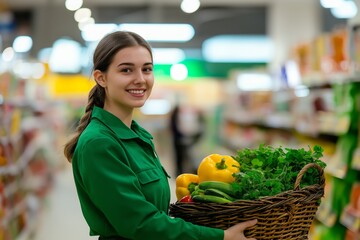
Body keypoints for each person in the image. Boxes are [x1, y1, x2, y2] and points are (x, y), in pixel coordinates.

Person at [63, 31, 257, 240]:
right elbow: (140, 223)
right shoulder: (100, 143)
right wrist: (220, 237)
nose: (140, 79)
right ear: (101, 78)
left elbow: (155, 213)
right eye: (126, 70)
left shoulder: (137, 136)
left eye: (146, 69)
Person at [170, 103, 205, 175]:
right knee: (182, 157)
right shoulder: (177, 118)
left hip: (182, 140)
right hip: (181, 141)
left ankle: (180, 171)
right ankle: (180, 171)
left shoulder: (177, 117)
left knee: (182, 157)